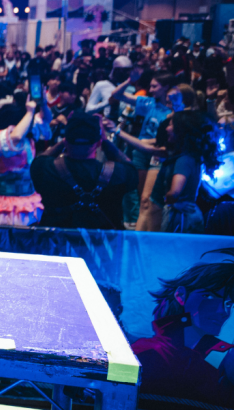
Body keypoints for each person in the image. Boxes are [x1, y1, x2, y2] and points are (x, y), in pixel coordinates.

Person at [131, 256, 234, 408]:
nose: (223, 311)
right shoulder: (145, 352)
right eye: (209, 296)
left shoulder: (225, 356)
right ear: (181, 295)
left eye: (228, 303)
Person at [107, 111, 220, 233]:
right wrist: (116, 131)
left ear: (182, 131)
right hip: (164, 209)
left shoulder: (184, 160)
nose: (167, 128)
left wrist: (169, 201)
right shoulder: (181, 154)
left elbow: (175, 191)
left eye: (171, 125)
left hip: (172, 213)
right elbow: (144, 147)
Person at [31, 112, 137, 230]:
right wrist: (105, 141)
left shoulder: (45, 169)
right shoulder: (117, 174)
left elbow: (39, 160)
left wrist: (64, 140)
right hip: (102, 245)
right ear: (98, 143)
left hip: (58, 244)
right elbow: (130, 168)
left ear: (66, 141)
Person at [111, 72, 175, 231]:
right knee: (142, 199)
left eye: (155, 86)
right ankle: (139, 233)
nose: (151, 89)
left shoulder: (173, 110)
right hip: (140, 152)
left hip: (157, 152)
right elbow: (117, 95)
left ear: (166, 87)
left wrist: (143, 142)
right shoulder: (149, 103)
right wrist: (129, 81)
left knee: (151, 199)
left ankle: (150, 234)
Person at [0, 100, 44, 226]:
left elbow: (44, 120)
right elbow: (16, 137)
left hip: (27, 197)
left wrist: (43, 104)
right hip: (5, 202)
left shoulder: (26, 138)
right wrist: (29, 112)